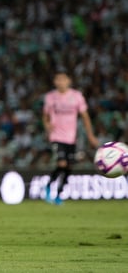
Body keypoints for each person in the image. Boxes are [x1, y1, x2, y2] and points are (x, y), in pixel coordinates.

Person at [43, 71, 98, 205]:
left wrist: (90, 135)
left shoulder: (76, 96)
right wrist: (47, 127)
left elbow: (85, 117)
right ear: (54, 82)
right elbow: (45, 117)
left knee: (68, 167)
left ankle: (59, 194)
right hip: (57, 136)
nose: (60, 82)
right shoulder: (51, 97)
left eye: (63, 79)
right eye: (58, 79)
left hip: (71, 138)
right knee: (61, 163)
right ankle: (49, 186)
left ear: (69, 81)